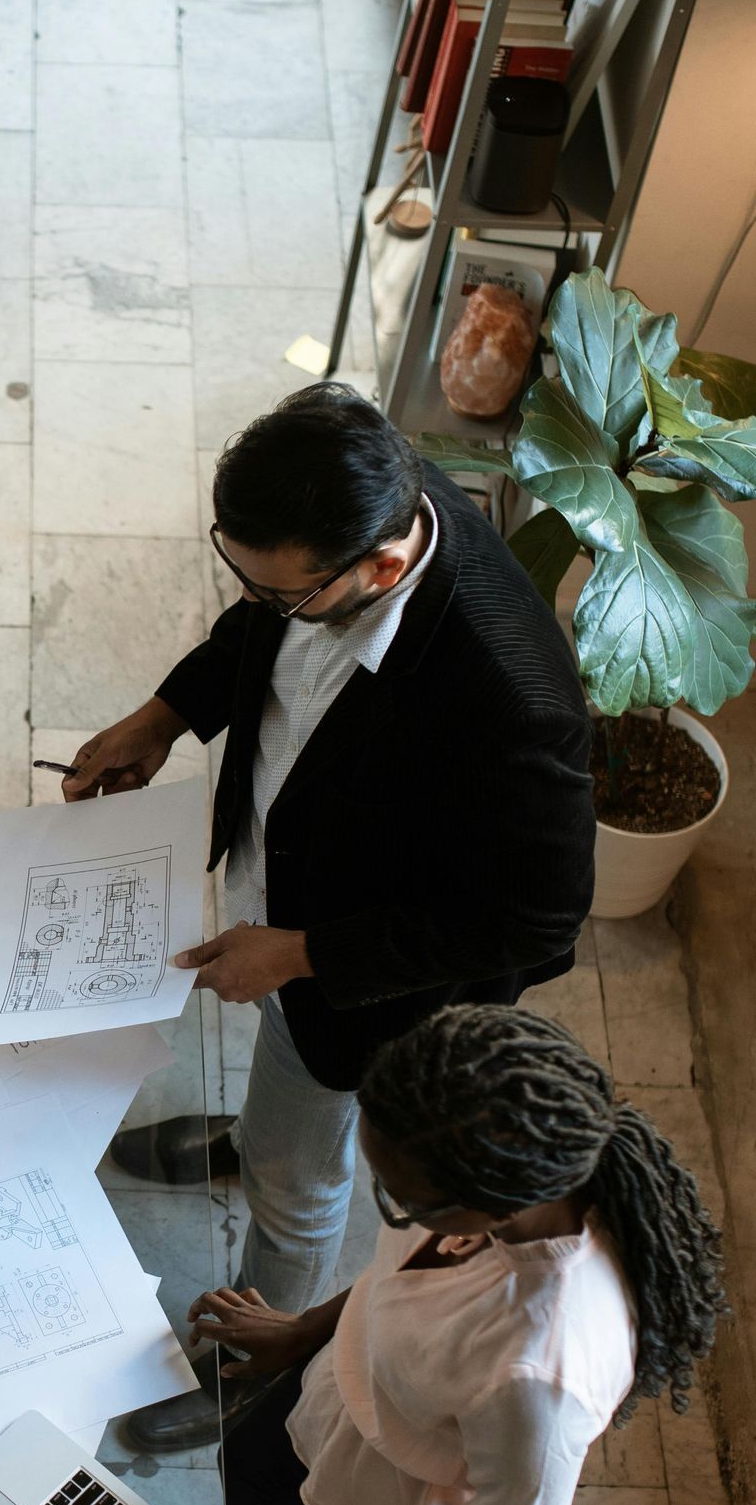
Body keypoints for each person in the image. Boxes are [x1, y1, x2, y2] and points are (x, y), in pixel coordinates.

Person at [64, 386, 594, 1448]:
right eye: (241, 573)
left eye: (284, 592)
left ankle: (256, 1355)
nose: (259, 601)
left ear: (383, 568)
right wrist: (168, 715)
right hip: (293, 894)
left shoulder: (511, 698)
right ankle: (253, 1129)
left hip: (367, 987)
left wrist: (302, 953)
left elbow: (538, 924)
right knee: (279, 1089)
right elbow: (260, 633)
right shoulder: (369, 488)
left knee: (299, 1176)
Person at [179, 1004, 726, 1505]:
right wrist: (305, 1332)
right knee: (252, 1472)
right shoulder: (473, 1157)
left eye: (402, 1202)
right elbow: (398, 1281)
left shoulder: (539, 1372)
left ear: (493, 1206)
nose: (390, 1211)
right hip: (347, 1388)